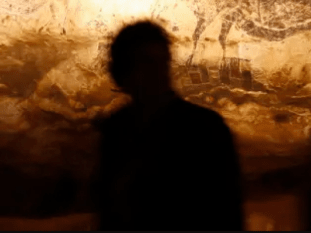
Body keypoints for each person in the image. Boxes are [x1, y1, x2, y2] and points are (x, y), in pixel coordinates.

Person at [90, 20, 244, 231]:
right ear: (122, 73)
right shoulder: (117, 130)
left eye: (160, 63)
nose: (157, 73)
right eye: (146, 63)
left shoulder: (204, 130)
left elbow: (227, 213)